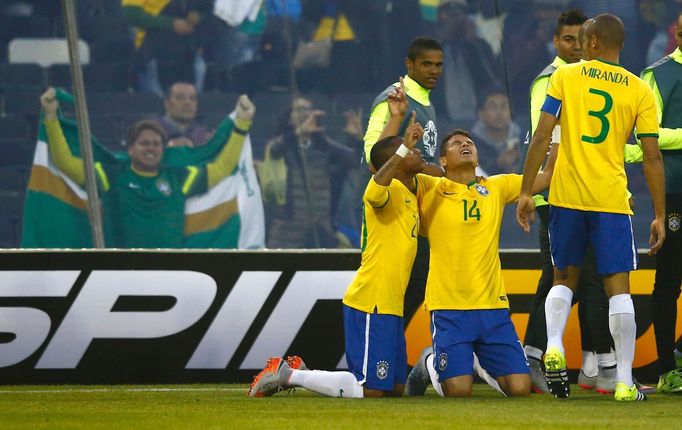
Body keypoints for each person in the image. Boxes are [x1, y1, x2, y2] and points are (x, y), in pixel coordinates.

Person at [516, 13, 666, 401]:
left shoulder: (564, 77)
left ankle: (552, 345)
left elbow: (542, 135)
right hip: (611, 200)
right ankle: (623, 382)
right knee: (618, 289)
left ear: (596, 41)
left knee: (563, 278)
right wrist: (661, 215)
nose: (580, 45)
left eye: (584, 39)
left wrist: (525, 191)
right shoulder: (639, 89)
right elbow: (652, 157)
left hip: (566, 196)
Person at [247, 118, 427, 398]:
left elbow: (381, 161)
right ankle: (289, 374)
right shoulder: (384, 191)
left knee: (394, 388)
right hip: (372, 301)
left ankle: (295, 372)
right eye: (410, 151)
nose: (417, 152)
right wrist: (403, 147)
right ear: (397, 158)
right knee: (370, 391)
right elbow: (377, 177)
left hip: (392, 303)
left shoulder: (410, 192)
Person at [519, 9, 621, 396]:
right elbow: (544, 138)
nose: (576, 46)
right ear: (556, 42)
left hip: (584, 192)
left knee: (582, 275)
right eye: (568, 40)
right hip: (558, 192)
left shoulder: (590, 79)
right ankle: (536, 355)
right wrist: (535, 190)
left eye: (581, 39)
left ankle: (593, 360)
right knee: (561, 274)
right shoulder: (551, 80)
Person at [412, 128, 555, 397]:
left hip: (492, 307)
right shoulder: (430, 187)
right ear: (443, 159)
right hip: (449, 306)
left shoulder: (497, 186)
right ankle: (427, 363)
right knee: (458, 392)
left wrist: (557, 134)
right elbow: (390, 174)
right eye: (456, 144)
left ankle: (475, 362)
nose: (465, 145)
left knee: (520, 388)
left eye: (469, 143)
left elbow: (546, 177)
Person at [39, 87, 255, 248]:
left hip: (169, 270)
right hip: (121, 269)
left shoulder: (179, 178)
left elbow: (222, 168)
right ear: (131, 149)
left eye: (156, 144)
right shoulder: (110, 176)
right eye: (144, 143)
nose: (151, 148)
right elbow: (65, 163)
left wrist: (242, 124)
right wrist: (51, 118)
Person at [363, 35, 444, 326]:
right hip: (392, 213)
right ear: (409, 64)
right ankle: (378, 357)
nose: (434, 70)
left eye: (438, 65)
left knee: (416, 286)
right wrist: (395, 118)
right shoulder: (392, 99)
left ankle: (391, 357)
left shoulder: (425, 101)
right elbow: (375, 160)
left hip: (417, 214)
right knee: (392, 295)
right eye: (426, 64)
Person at [634, 11, 682, 394]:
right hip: (675, 190)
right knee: (668, 281)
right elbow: (647, 136)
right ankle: (668, 368)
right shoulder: (658, 74)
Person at [265, 97, 359, 248]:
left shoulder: (323, 146)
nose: (305, 113)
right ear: (289, 118)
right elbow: (274, 151)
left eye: (308, 109)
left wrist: (354, 138)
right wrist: (298, 132)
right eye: (300, 110)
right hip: (286, 233)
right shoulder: (283, 145)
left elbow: (352, 160)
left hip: (319, 232)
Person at [431, 0, 501, 128]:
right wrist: (443, 38)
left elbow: (491, 79)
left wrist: (472, 42)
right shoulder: (429, 45)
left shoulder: (477, 46)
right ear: (440, 17)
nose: (455, 20)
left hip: (476, 118)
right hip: (441, 118)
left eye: (459, 15)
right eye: (450, 15)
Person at [122, 0, 207, 95]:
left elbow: (207, 9)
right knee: (157, 101)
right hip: (150, 48)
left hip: (186, 48)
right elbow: (130, 14)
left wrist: (198, 16)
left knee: (199, 68)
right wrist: (171, 24)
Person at [470, 86, 522, 175]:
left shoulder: (524, 137)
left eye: (504, 106)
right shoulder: (470, 144)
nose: (499, 112)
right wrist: (499, 163)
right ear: (481, 114)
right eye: (493, 106)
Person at [154, 81, 210, 148]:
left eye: (192, 99)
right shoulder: (151, 130)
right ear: (167, 103)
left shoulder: (202, 136)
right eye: (180, 98)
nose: (187, 103)